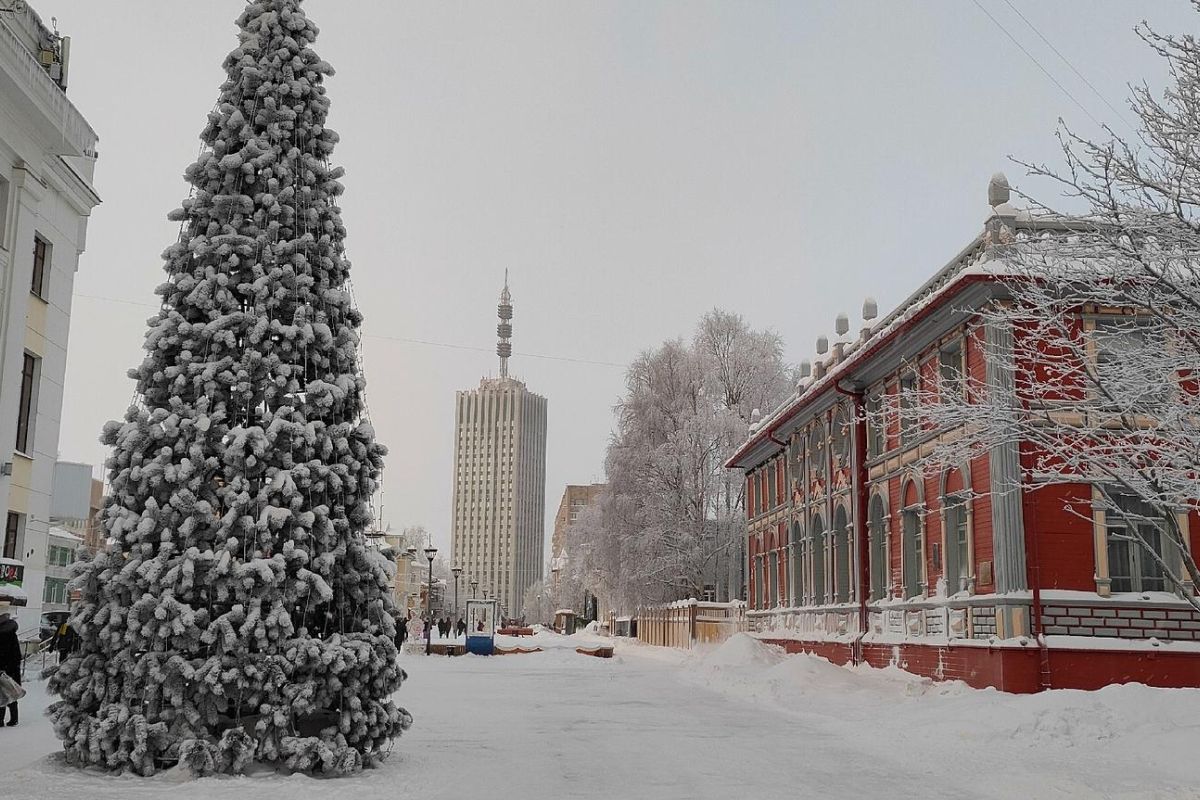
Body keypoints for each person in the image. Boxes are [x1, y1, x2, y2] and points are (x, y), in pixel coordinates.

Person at [0, 604, 21, 726]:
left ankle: (0, 719)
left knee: (2, 693)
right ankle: (14, 718)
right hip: (11, 668)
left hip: (4, 667)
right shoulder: (12, 634)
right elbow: (17, 654)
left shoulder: (4, 634)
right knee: (11, 690)